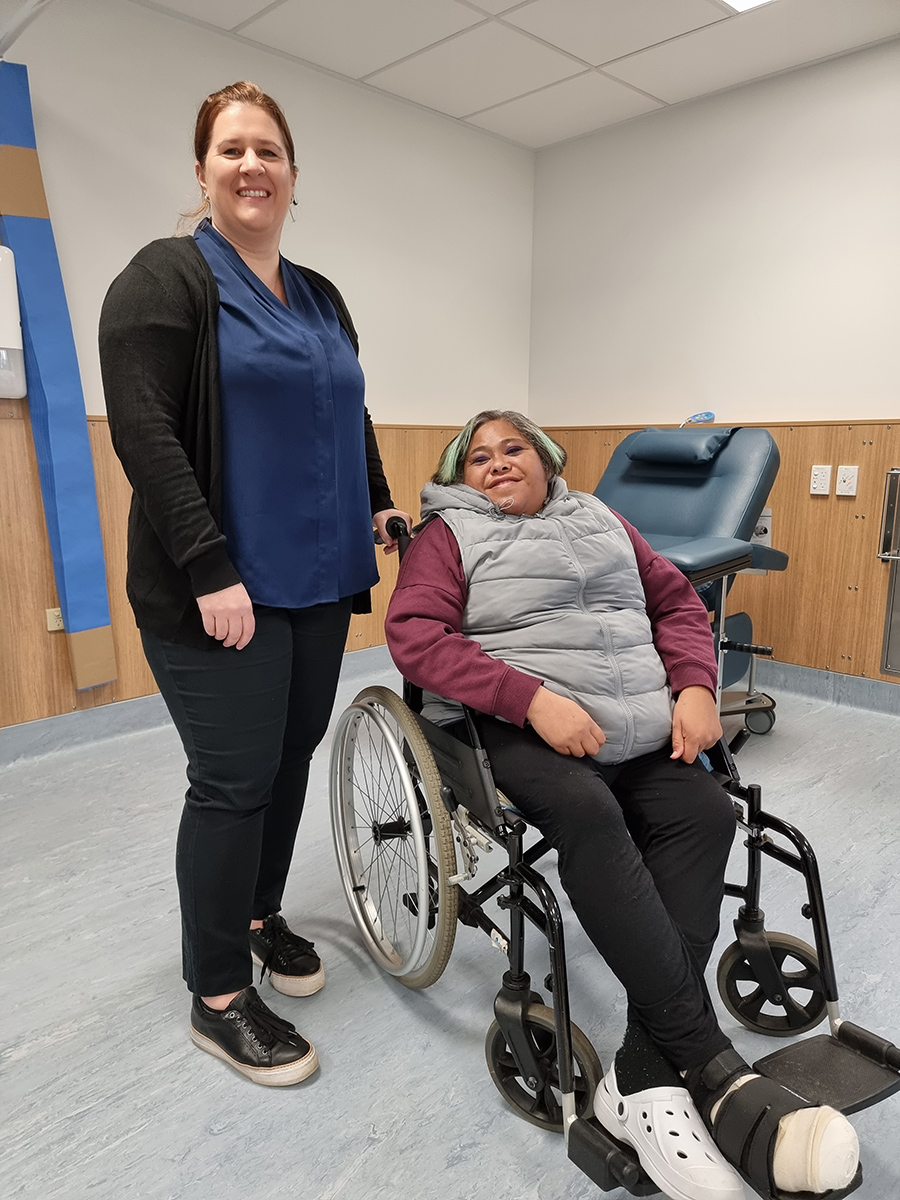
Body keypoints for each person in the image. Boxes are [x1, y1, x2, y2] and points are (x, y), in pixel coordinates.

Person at [385, 411, 859, 1200]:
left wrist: (699, 687)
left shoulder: (602, 516)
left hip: (637, 721)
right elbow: (416, 636)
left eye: (514, 449)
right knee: (593, 817)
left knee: (707, 812)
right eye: (477, 458)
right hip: (520, 725)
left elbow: (674, 603)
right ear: (457, 478)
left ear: (547, 461)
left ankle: (642, 1070)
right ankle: (711, 1065)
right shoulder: (448, 535)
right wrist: (530, 700)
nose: (498, 464)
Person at [99, 81, 411, 1087]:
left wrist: (376, 499)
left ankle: (254, 914)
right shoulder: (166, 278)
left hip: (316, 581)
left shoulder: (320, 296)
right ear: (202, 171)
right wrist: (208, 566)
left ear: (291, 173)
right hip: (219, 587)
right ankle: (219, 996)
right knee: (232, 783)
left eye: (268, 150)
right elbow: (147, 435)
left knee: (286, 761)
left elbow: (343, 409)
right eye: (231, 149)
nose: (251, 166)